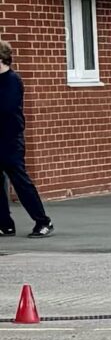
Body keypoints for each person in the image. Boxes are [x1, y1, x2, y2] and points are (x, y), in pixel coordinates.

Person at [0, 40, 53, 237]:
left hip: (10, 139)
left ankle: (43, 221)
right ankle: (5, 224)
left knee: (20, 182)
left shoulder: (12, 80)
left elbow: (7, 108)